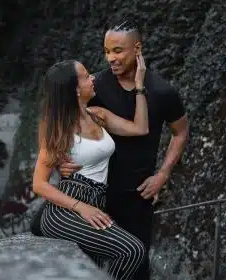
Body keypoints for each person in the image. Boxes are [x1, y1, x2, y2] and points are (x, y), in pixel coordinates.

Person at [31, 17, 189, 279]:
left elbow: (172, 131)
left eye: (118, 50)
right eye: (106, 51)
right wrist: (59, 159)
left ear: (137, 49)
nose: (110, 59)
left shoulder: (162, 91)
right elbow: (59, 116)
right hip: (89, 197)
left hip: (137, 197)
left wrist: (162, 174)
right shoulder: (97, 87)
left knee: (136, 264)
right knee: (98, 263)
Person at [33, 57, 150, 280]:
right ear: (75, 90)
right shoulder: (59, 129)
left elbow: (140, 128)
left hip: (97, 201)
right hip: (67, 208)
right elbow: (39, 184)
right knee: (132, 250)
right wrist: (81, 208)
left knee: (92, 271)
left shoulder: (97, 115)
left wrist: (139, 85)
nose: (93, 78)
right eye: (86, 76)